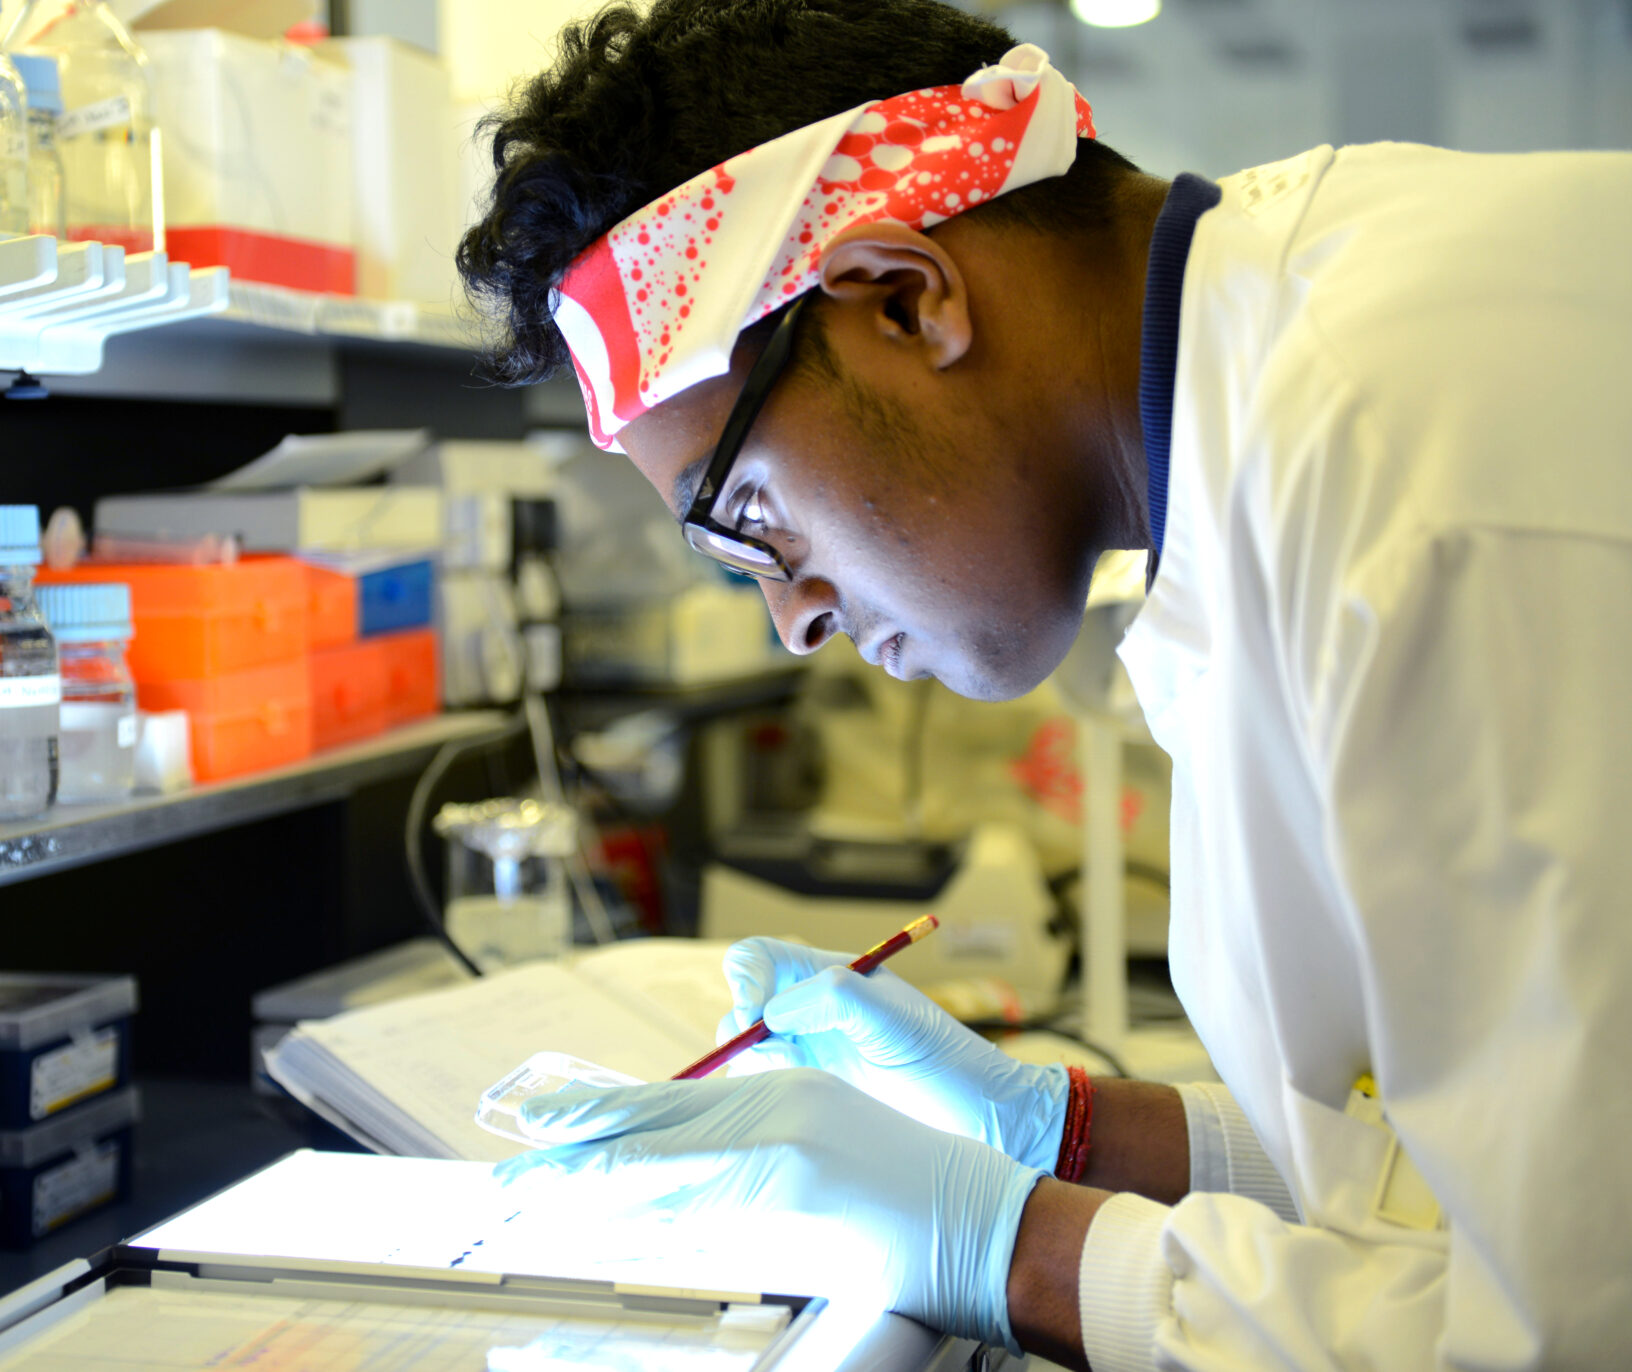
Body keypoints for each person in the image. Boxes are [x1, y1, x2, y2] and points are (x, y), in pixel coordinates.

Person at [455, 1, 1632, 1368]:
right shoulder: (1276, 391)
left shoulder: (1416, 470)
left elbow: (1564, 1324)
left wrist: (994, 1245)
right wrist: (1053, 1132)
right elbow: (1468, 1146)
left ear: (905, 296)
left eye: (749, 519)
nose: (791, 619)